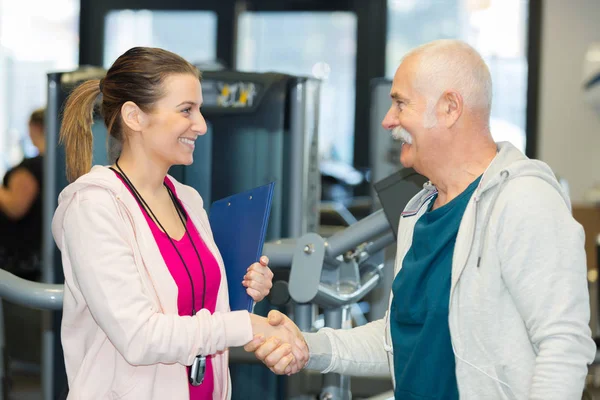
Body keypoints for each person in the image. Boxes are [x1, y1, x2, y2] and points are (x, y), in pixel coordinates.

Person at [245, 39, 597, 399]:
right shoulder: (418, 210)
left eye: (400, 103)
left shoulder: (523, 200)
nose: (387, 120)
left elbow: (564, 346)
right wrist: (308, 345)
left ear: (449, 108)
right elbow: (400, 341)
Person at [51, 47, 304, 400]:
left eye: (199, 110)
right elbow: (139, 337)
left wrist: (243, 291)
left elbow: (200, 315)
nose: (201, 125)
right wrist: (244, 325)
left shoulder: (187, 199)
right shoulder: (94, 206)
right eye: (187, 110)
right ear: (134, 117)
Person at [0, 107, 45, 280]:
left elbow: (16, 207)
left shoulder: (31, 168)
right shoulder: (56, 165)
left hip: (21, 266)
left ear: (34, 127)